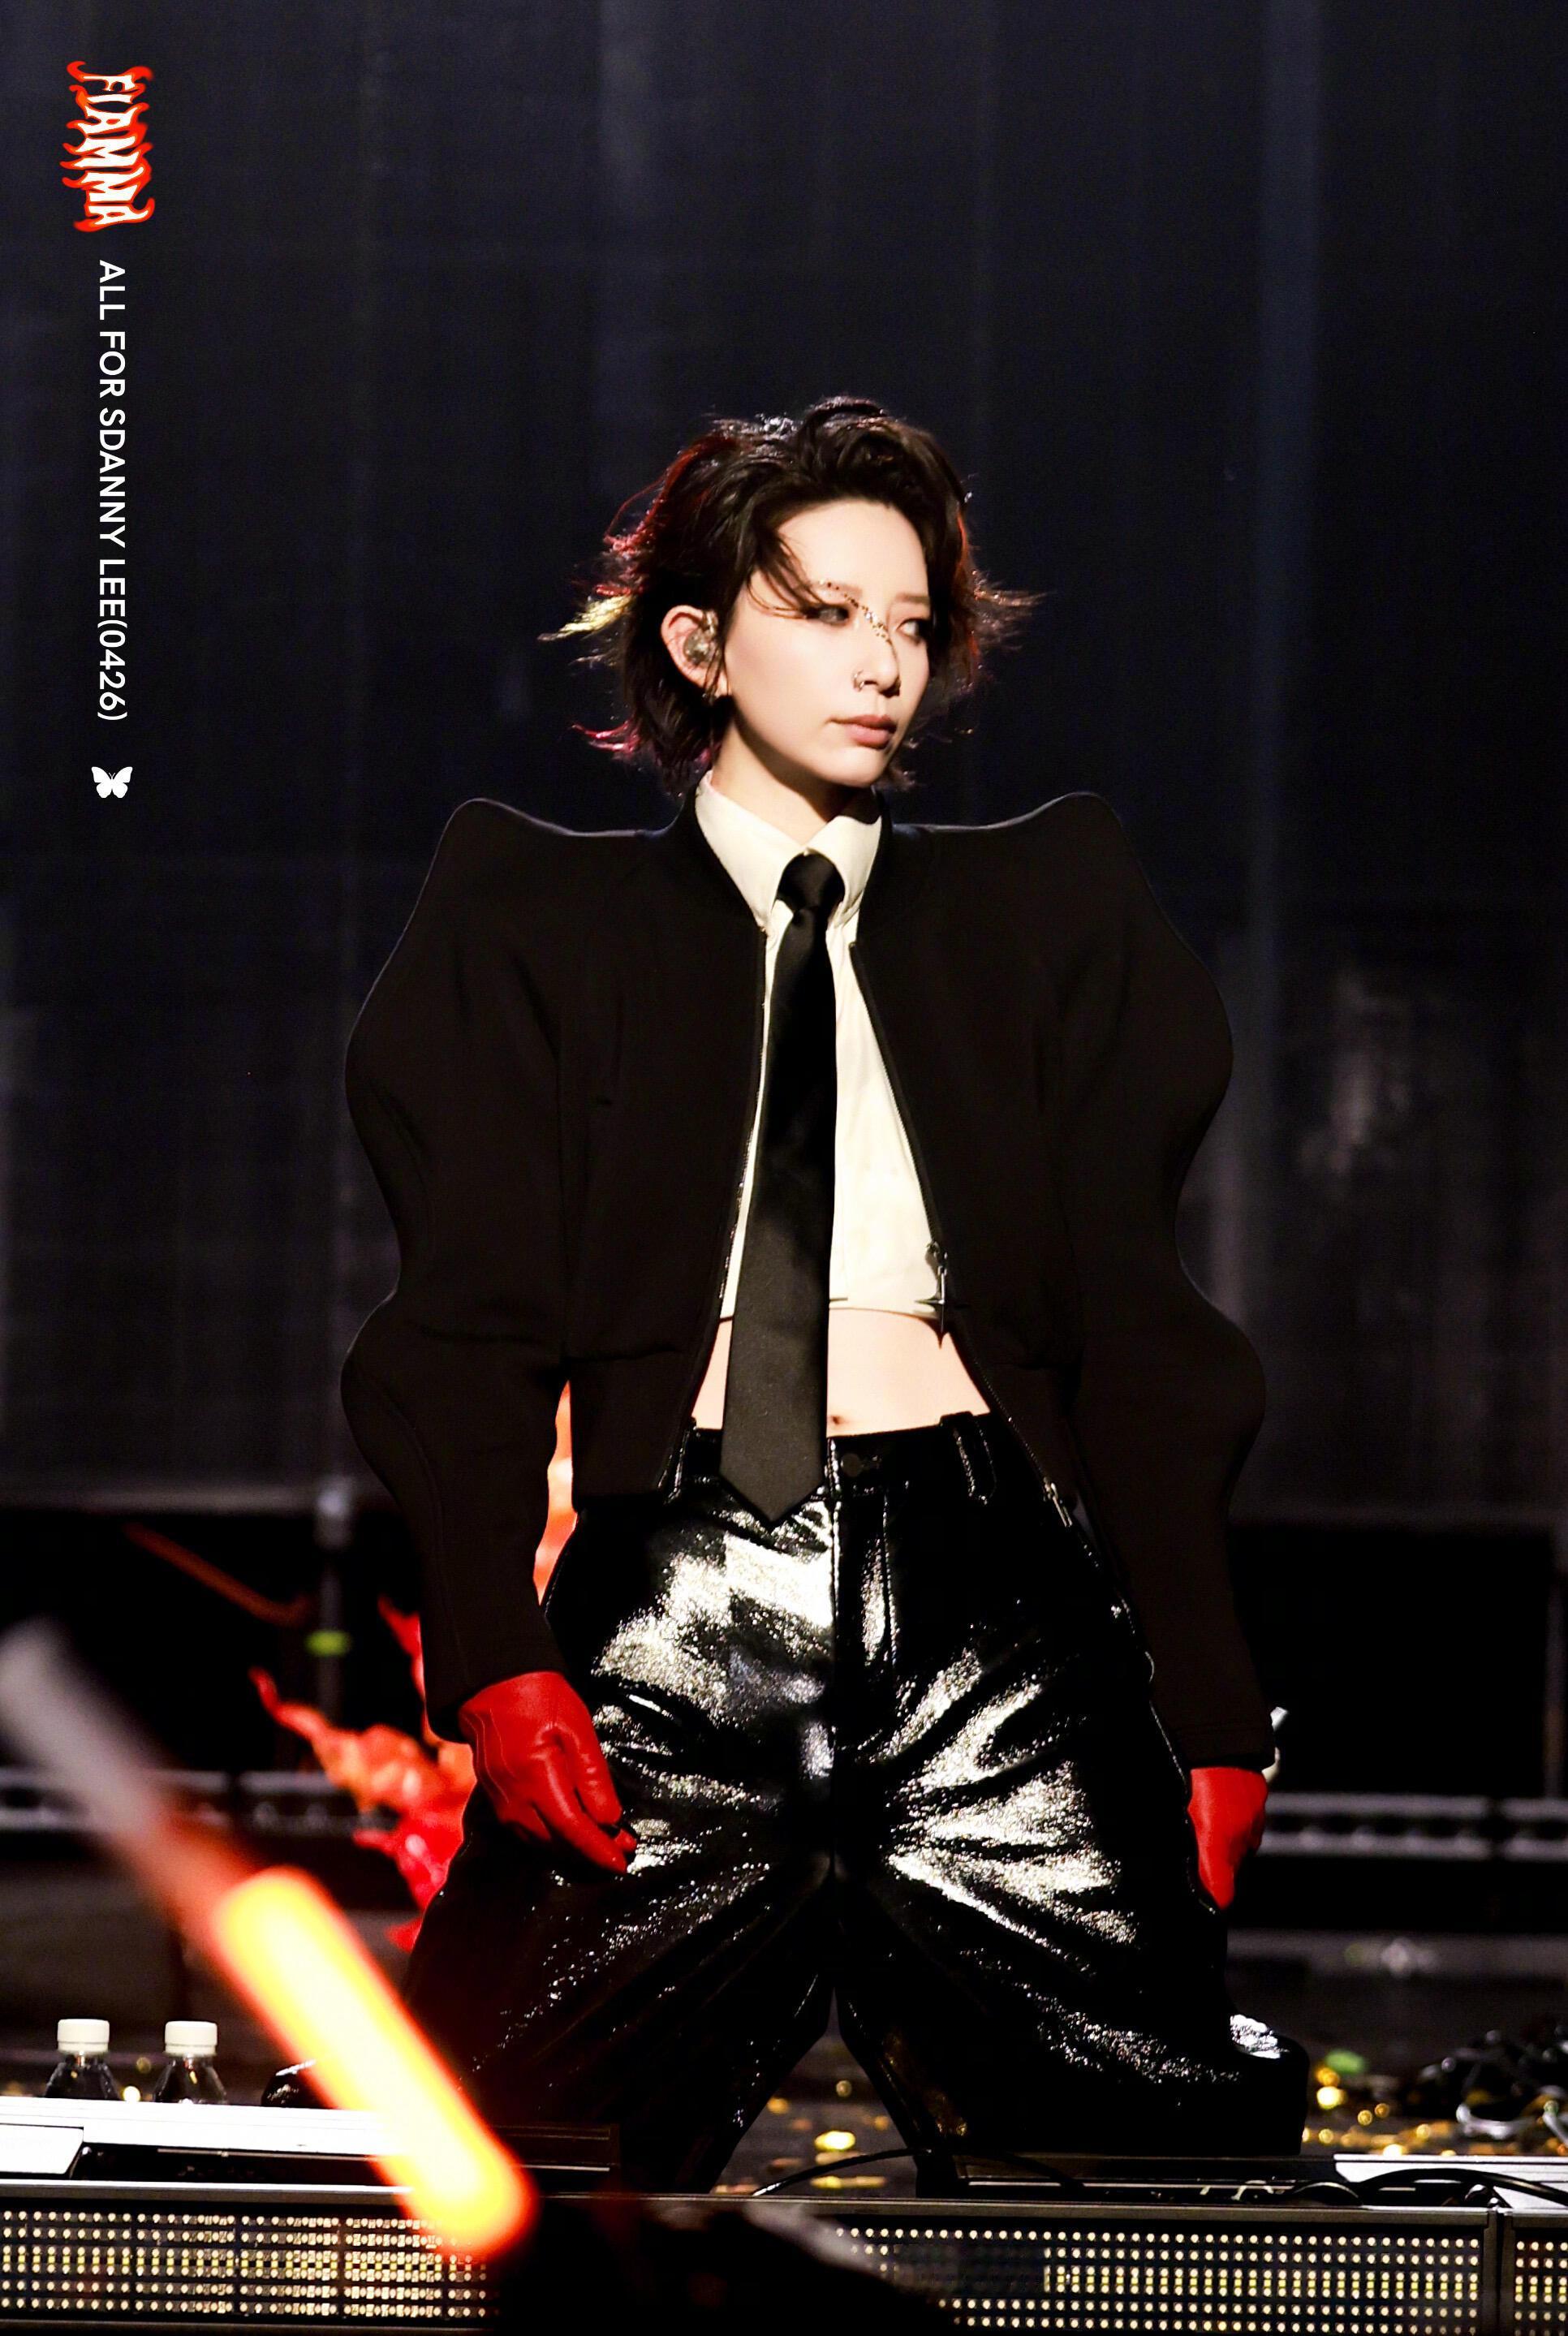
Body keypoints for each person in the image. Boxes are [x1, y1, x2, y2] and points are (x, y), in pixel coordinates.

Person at [341, 395, 1310, 2189]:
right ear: (698, 645)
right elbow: (464, 1331)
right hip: (683, 1592)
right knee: (470, 2153)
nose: (883, 666)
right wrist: (489, 1646)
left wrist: (1208, 1691)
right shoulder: (536, 923)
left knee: (1151, 2162)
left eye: (913, 624)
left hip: (990, 1599)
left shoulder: (1044, 912)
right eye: (826, 612)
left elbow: (1138, 1328)